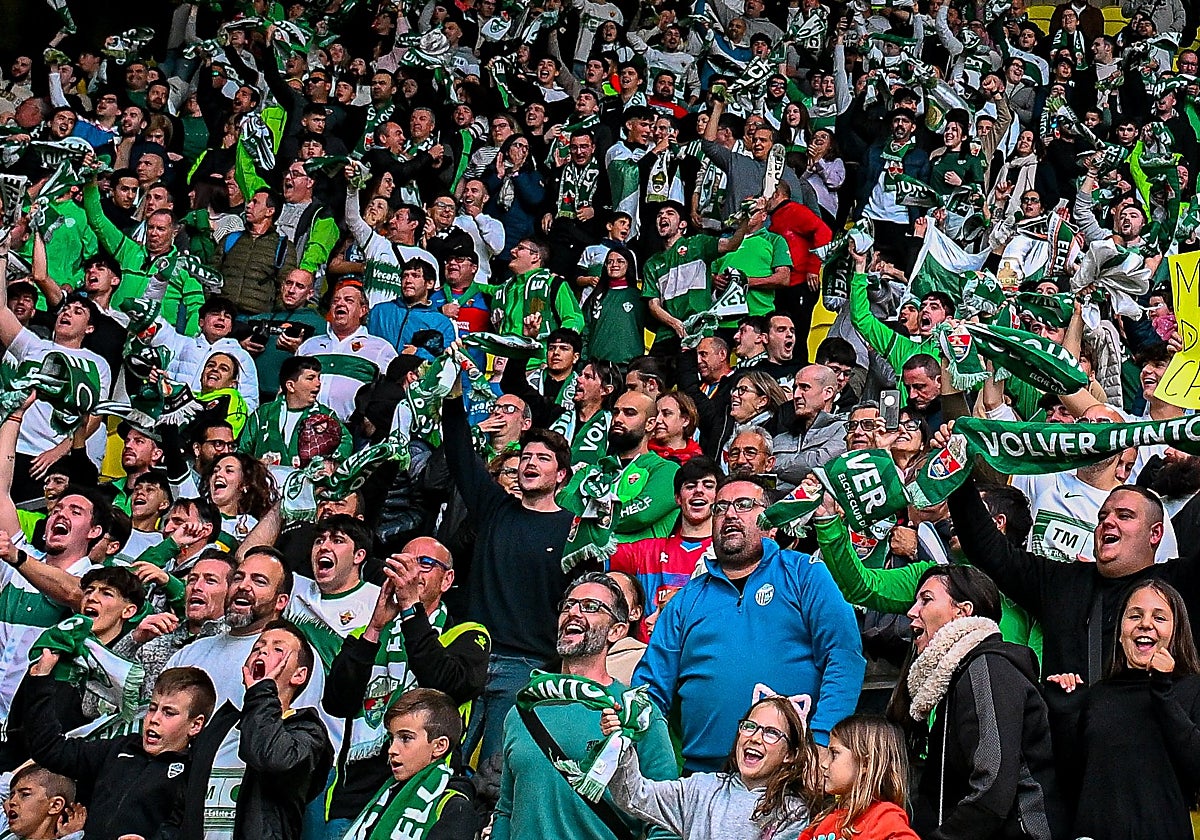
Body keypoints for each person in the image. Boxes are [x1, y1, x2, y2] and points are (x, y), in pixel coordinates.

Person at [636, 476, 865, 771]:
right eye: (720, 508)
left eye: (744, 505)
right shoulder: (686, 599)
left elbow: (843, 656)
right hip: (704, 777)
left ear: (769, 523)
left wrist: (821, 741)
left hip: (790, 771)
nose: (730, 514)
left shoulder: (804, 574)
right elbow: (650, 689)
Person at [492, 573, 678, 840]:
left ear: (617, 630)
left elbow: (666, 817)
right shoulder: (523, 708)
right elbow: (506, 811)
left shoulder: (637, 711)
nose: (573, 612)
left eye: (590, 607)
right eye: (568, 605)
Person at [897, 566, 1066, 840]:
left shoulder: (987, 666)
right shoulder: (958, 675)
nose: (912, 611)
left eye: (926, 600)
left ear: (962, 612)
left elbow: (993, 786)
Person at [162, 620, 334, 840]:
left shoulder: (307, 731)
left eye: (278, 649)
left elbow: (269, 757)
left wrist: (262, 691)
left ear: (298, 675)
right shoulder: (219, 727)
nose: (263, 650)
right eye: (257, 647)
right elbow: (180, 810)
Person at [1057, 580, 1200, 840]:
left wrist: (1163, 690)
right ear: (1121, 634)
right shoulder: (1098, 695)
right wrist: (1065, 708)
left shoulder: (1192, 689)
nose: (1145, 624)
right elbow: (1072, 782)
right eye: (1135, 615)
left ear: (1176, 631)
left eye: (1159, 617)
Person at [21, 665, 217, 839]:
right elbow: (50, 749)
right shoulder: (118, 749)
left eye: (169, 712)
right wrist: (40, 679)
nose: (154, 719)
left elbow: (186, 830)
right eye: (152, 708)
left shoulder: (194, 773)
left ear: (196, 725)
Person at [602, 695, 816, 840]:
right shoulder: (701, 788)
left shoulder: (793, 812)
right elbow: (634, 796)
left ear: (791, 754)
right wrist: (621, 743)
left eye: (771, 733)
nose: (755, 738)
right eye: (750, 727)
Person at [338, 688, 478, 840]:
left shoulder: (455, 808)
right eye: (392, 738)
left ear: (439, 746)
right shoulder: (387, 793)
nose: (392, 750)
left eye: (406, 738)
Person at [800, 715, 919, 840]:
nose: (824, 764)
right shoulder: (822, 820)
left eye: (834, 754)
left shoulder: (883, 817)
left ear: (866, 764)